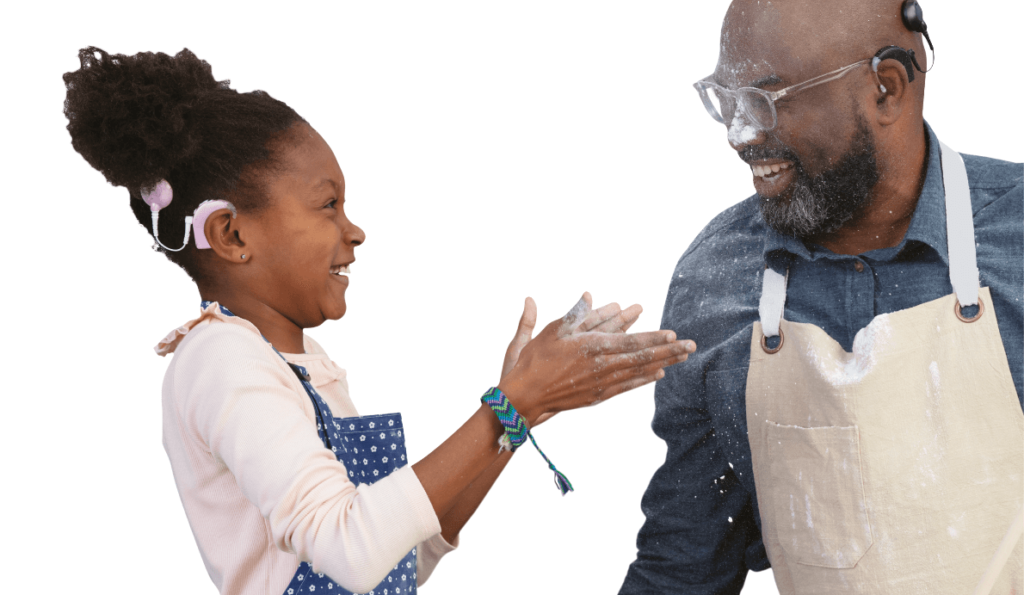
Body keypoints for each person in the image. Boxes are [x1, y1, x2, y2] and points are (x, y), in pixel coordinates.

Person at [62, 46, 696, 595]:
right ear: (232, 234)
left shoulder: (298, 367)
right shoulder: (221, 362)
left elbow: (400, 556)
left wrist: (517, 417)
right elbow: (351, 548)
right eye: (328, 205)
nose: (354, 230)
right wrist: (510, 399)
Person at [620, 0, 1023, 595]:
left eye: (767, 99)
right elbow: (684, 569)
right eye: (728, 100)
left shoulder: (1016, 241)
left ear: (886, 87)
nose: (741, 135)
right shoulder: (719, 280)